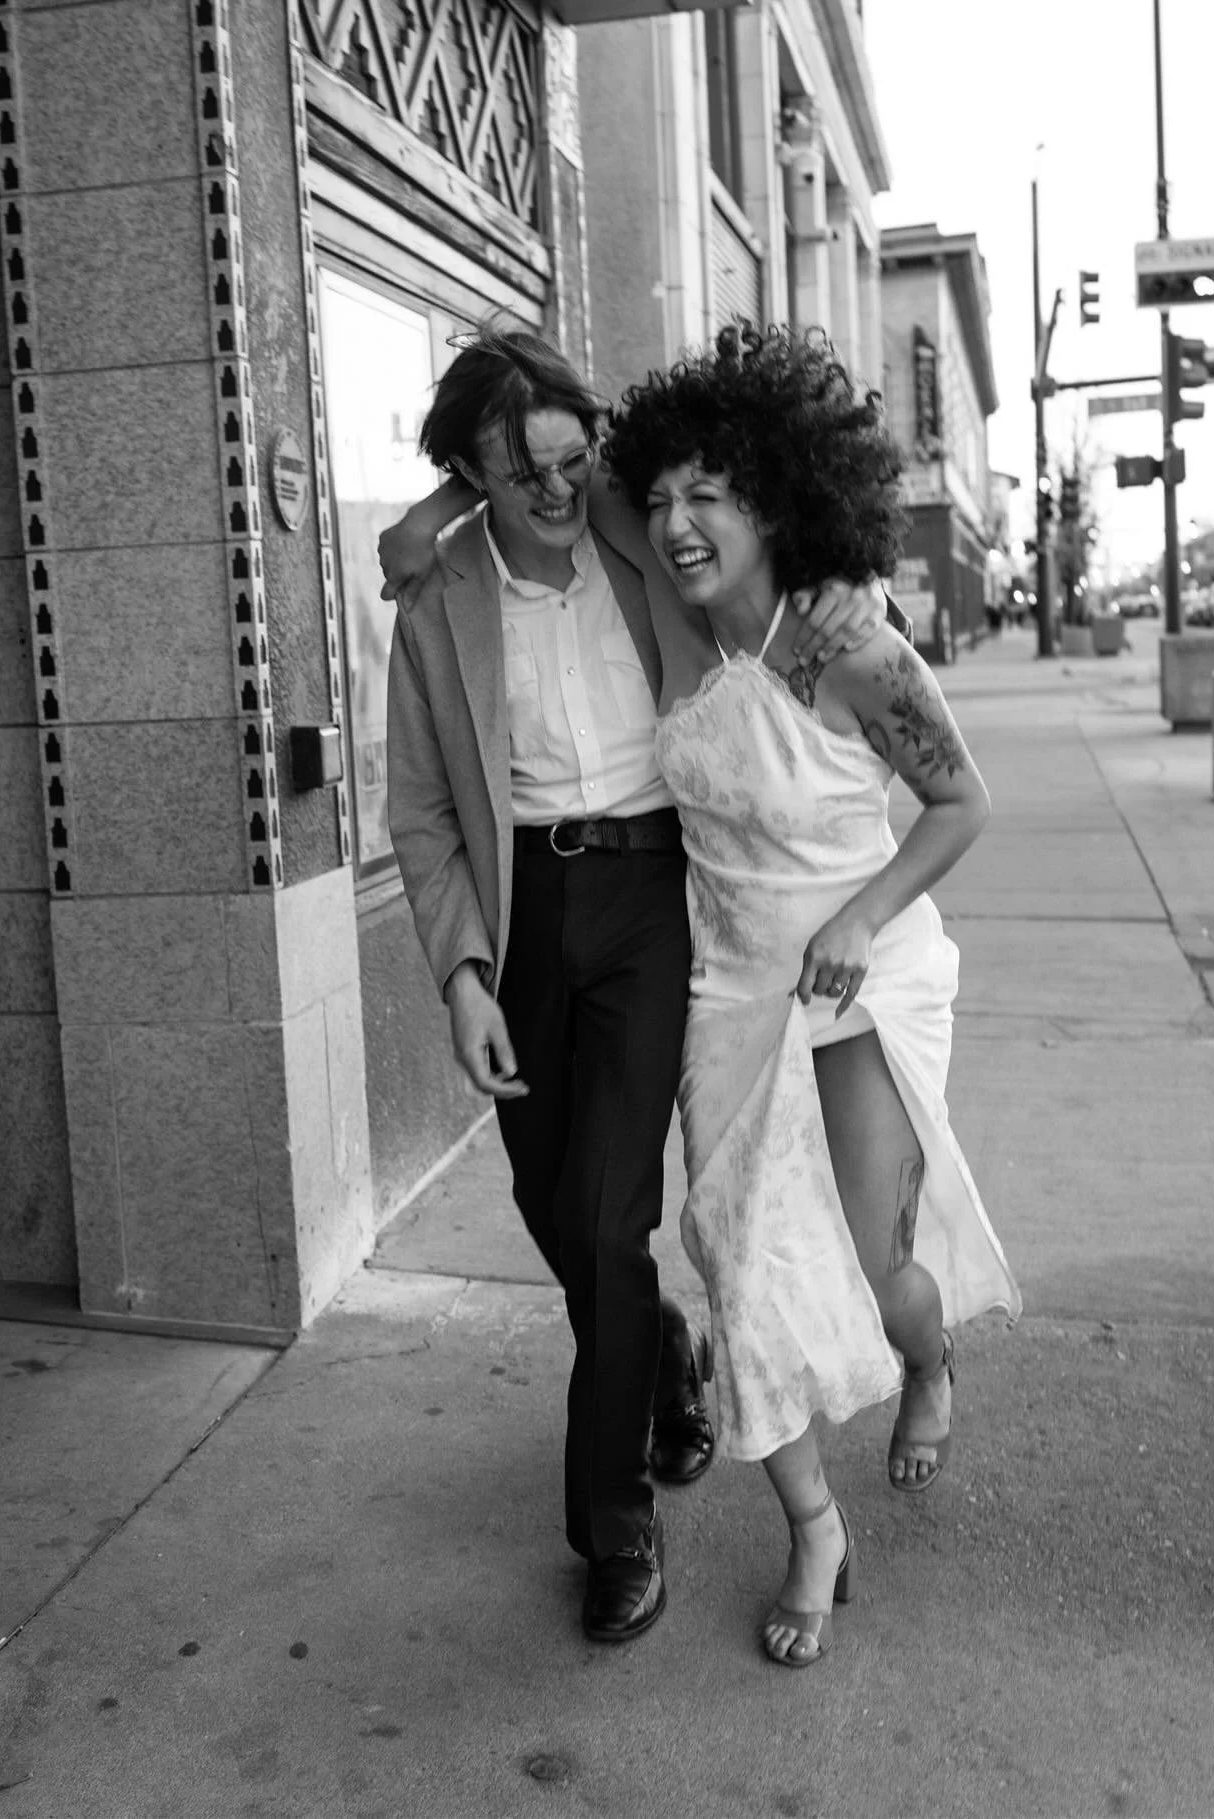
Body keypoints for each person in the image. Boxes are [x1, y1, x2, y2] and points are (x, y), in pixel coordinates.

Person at [379, 323, 897, 1645]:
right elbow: (424, 813)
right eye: (525, 474)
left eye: (574, 459)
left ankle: (614, 1524)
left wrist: (853, 589)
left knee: (608, 1216)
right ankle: (659, 1345)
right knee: (557, 1210)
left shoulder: (630, 532)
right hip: (524, 916)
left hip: (654, 898)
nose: (561, 490)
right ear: (471, 478)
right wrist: (464, 975)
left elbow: (757, 561)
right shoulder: (436, 603)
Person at [602, 321, 1021, 1668]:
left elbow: (961, 803)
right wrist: (432, 516)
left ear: (778, 499)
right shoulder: (677, 616)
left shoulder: (850, 647)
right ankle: (815, 1528)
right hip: (733, 991)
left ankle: (929, 1360)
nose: (676, 521)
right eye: (665, 495)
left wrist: (862, 911)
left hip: (861, 977)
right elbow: (583, 474)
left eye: (711, 494)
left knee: (880, 1266)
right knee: (736, 1267)